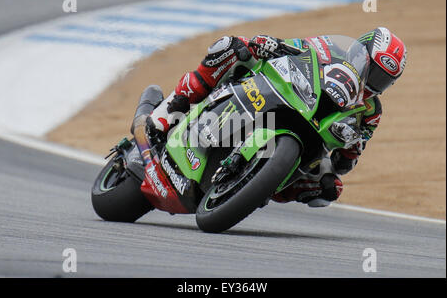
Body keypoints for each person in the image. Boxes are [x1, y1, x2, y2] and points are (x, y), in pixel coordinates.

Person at [143, 27, 407, 207]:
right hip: (285, 93)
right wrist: (270, 44)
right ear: (362, 54)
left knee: (330, 187)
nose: (374, 83)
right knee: (231, 47)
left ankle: (256, 188)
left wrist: (352, 147)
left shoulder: (371, 113)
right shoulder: (332, 50)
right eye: (374, 72)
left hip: (314, 135)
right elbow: (297, 48)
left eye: (383, 80)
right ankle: (169, 110)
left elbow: (345, 162)